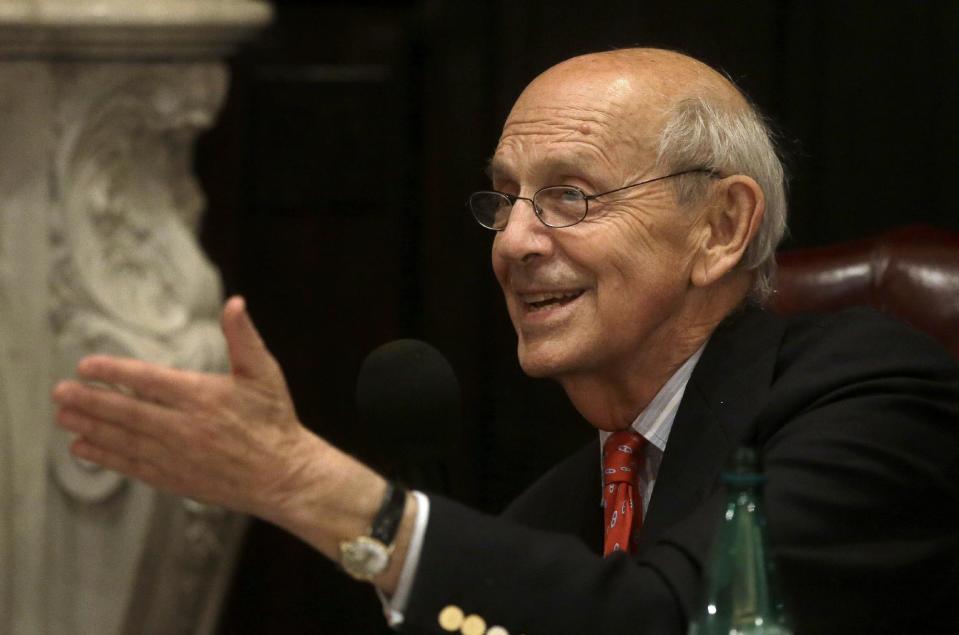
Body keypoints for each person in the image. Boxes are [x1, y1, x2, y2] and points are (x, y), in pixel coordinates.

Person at [52, 48, 959, 634]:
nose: (515, 241)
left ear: (720, 227)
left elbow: (679, 619)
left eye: (571, 194)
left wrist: (312, 487)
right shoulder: (552, 512)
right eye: (504, 198)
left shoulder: (871, 392)